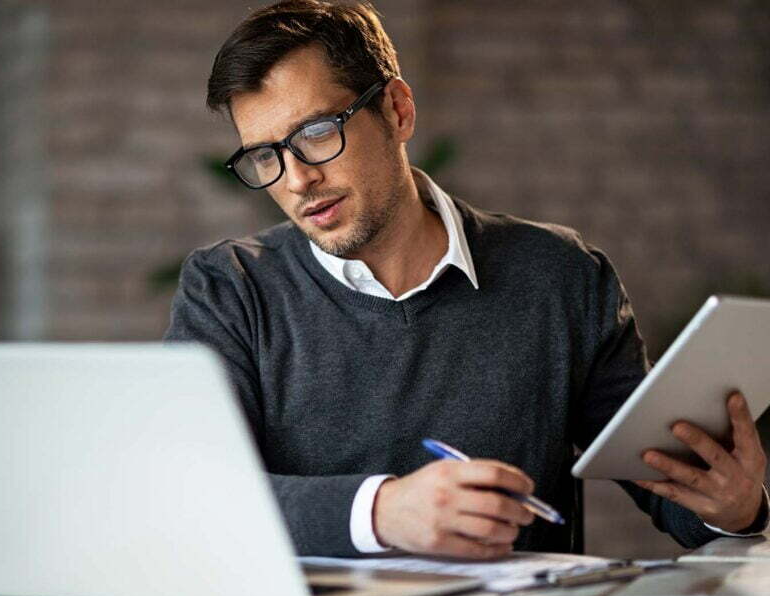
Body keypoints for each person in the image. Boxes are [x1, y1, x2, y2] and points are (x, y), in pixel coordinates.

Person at [164, 0, 768, 558]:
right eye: (265, 156)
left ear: (397, 110)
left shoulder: (561, 276)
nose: (296, 181)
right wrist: (380, 512)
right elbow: (189, 495)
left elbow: (671, 491)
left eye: (317, 133)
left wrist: (734, 508)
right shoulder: (229, 288)